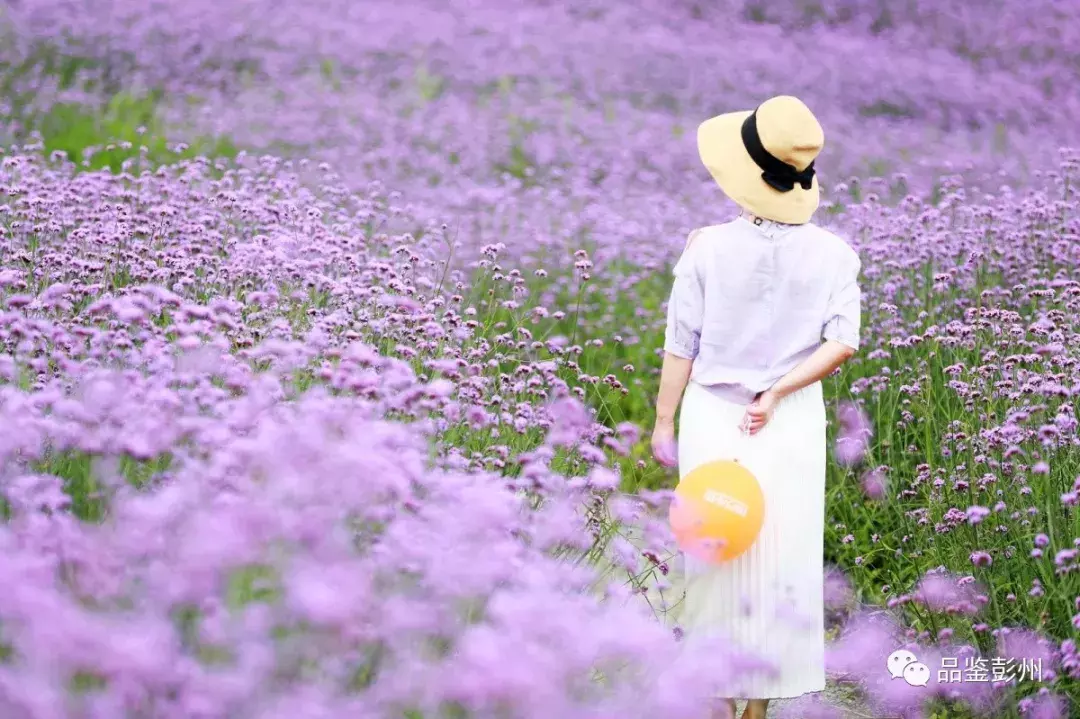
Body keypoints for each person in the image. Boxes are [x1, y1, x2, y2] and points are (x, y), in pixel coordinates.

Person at [650, 95, 862, 719]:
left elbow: (679, 347)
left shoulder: (706, 248)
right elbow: (843, 341)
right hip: (790, 422)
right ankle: (758, 707)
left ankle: (717, 694)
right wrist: (777, 393)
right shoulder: (835, 254)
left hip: (714, 416)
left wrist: (663, 421)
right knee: (784, 557)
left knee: (714, 549)